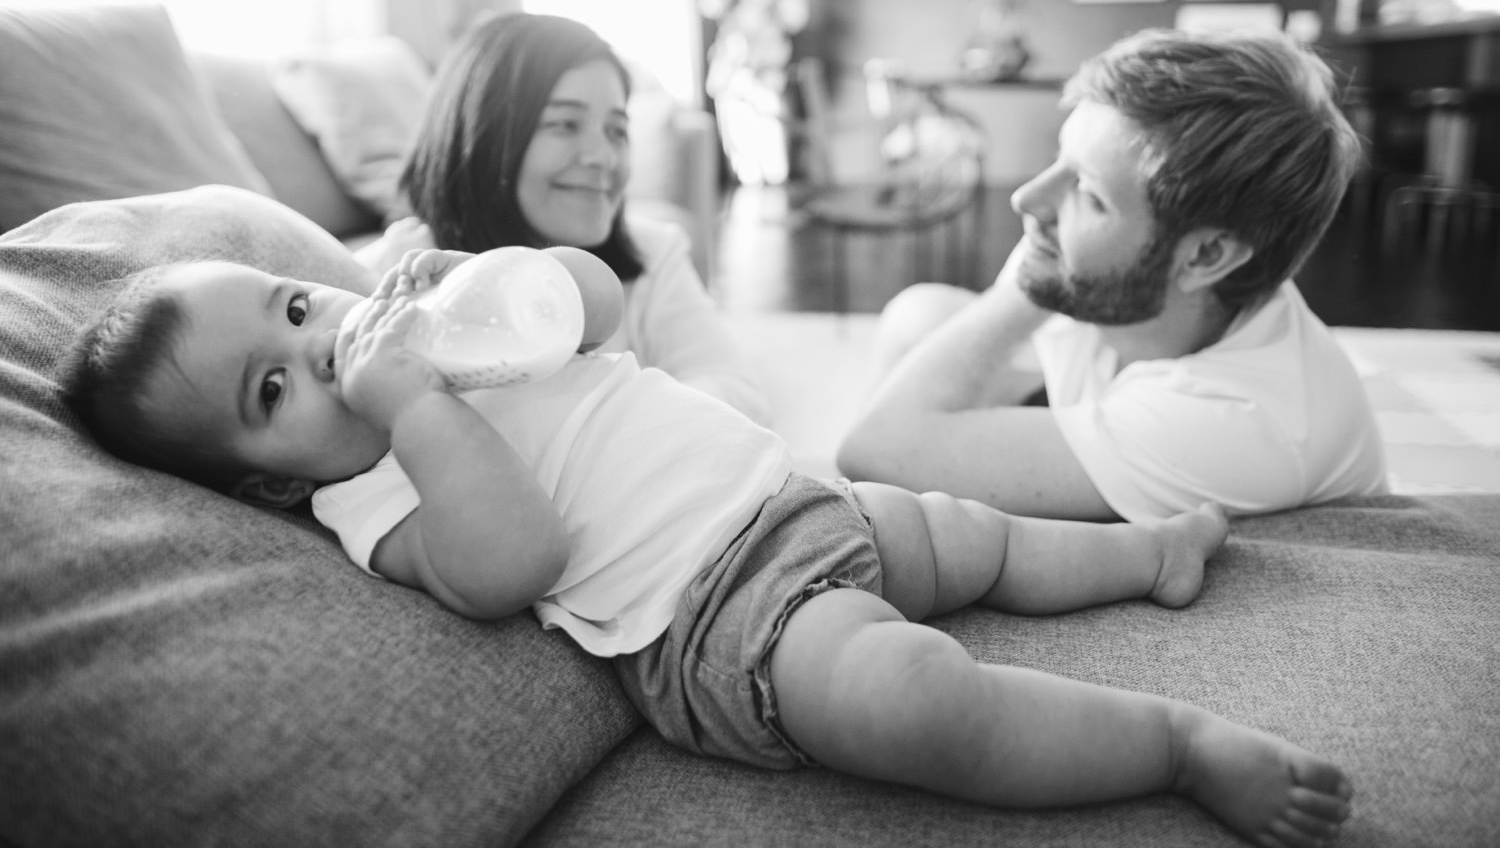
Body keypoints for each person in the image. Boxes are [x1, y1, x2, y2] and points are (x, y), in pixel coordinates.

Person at [59, 248, 1354, 847]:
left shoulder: (445, 333)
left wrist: (492, 279)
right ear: (263, 489)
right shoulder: (374, 500)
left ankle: (1149, 555)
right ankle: (1173, 743)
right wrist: (413, 403)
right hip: (728, 626)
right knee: (914, 695)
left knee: (973, 535)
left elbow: (601, 303)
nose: (316, 349)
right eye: (271, 388)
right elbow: (512, 556)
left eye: (295, 307)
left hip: (791, 501)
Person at [837, 29, 1388, 522]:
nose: (1027, 198)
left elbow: (872, 452)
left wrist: (1025, 283)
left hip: (1202, 471)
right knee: (921, 314)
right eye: (1061, 158)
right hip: (1125, 384)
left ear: (1205, 255)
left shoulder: (1237, 423)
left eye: (1091, 194)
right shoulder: (1178, 286)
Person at [360, 10, 770, 424]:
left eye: (616, 131)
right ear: (482, 136)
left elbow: (740, 397)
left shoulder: (652, 254)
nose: (602, 157)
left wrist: (612, 432)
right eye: (565, 124)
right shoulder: (395, 278)